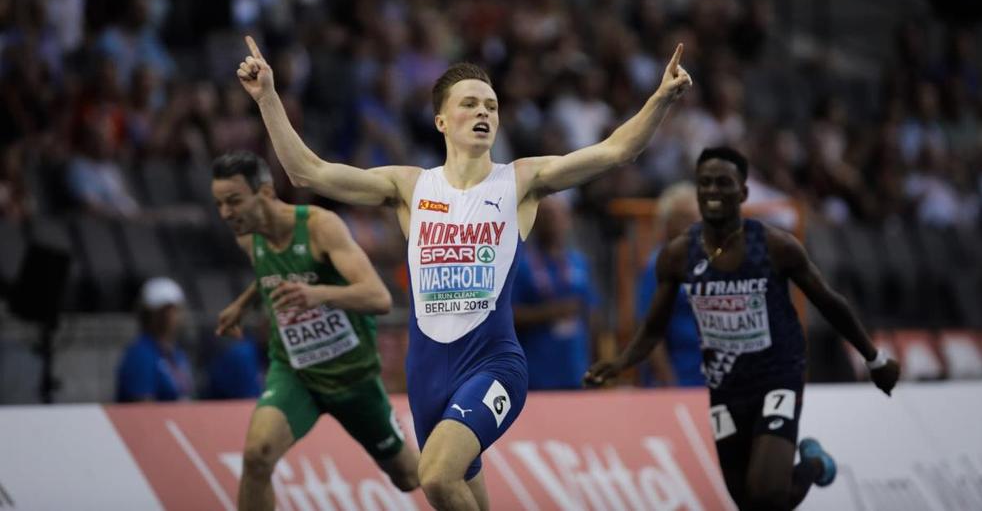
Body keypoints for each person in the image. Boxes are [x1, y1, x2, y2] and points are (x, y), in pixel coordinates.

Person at [236, 35, 692, 510]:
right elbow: (307, 172)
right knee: (459, 494)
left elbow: (617, 150)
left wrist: (659, 99)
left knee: (434, 475)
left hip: (494, 364)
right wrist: (268, 97)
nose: (484, 113)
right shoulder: (409, 186)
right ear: (440, 120)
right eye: (470, 104)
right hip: (427, 375)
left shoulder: (520, 181)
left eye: (492, 106)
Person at [585, 147, 901, 511]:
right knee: (747, 502)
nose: (713, 191)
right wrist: (620, 362)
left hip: (776, 375)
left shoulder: (775, 246)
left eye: (723, 182)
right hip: (724, 384)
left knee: (766, 496)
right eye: (705, 183)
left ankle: (811, 467)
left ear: (743, 193)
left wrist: (875, 360)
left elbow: (829, 301)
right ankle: (814, 464)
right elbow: (654, 328)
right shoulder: (677, 255)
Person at [210, 151, 419, 511]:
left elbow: (378, 297)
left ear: (264, 192)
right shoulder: (248, 237)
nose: (226, 213)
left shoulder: (320, 227)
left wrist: (317, 294)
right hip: (296, 373)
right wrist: (243, 304)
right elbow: (271, 274)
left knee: (408, 477)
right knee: (257, 456)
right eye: (219, 204)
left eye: (234, 201)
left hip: (353, 378)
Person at [511, 195, 598, 390]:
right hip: (536, 372)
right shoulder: (520, 264)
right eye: (546, 215)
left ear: (568, 220)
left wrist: (595, 362)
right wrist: (549, 313)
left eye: (559, 215)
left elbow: (591, 314)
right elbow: (509, 315)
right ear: (534, 220)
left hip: (575, 368)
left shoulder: (579, 262)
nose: (553, 222)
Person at [635, 182, 703, 387]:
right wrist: (669, 384)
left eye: (696, 216)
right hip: (676, 378)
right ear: (667, 223)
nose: (692, 223)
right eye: (684, 218)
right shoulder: (658, 265)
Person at [116, 277, 194, 402]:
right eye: (162, 311)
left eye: (173, 310)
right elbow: (142, 408)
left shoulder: (177, 353)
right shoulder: (140, 355)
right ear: (147, 315)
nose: (168, 317)